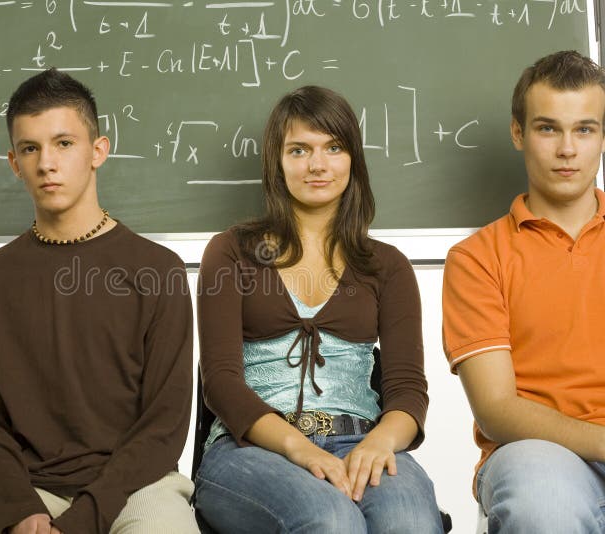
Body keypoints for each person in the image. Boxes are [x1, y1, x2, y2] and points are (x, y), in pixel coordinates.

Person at [0, 68, 197, 534]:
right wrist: (21, 507)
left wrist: (87, 516)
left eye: (63, 144)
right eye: (30, 148)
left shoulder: (159, 270)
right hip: (21, 487)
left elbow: (165, 424)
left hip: (136, 488)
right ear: (14, 162)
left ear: (98, 151)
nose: (46, 163)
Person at [194, 85, 442, 533]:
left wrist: (380, 443)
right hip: (249, 451)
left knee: (408, 520)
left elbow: (408, 391)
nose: (317, 164)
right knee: (331, 519)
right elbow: (220, 383)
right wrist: (300, 449)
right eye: (299, 150)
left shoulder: (388, 266)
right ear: (278, 161)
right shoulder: (231, 251)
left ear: (353, 160)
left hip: (362, 439)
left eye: (333, 147)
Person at [442, 50, 605, 533]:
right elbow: (497, 409)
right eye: (548, 128)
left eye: (585, 129)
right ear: (518, 133)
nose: (568, 150)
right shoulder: (477, 258)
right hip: (538, 456)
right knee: (544, 506)